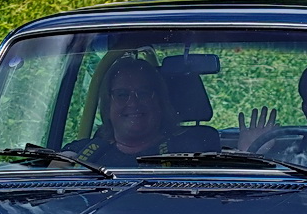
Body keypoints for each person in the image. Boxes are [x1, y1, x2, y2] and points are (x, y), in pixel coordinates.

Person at [63, 54, 203, 168]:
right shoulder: (81, 154)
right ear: (107, 105)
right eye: (122, 94)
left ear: (159, 101)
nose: (133, 103)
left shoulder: (194, 149)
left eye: (143, 93)